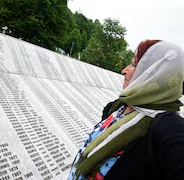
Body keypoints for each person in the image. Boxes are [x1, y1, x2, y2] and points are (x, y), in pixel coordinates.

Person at [68, 40, 184, 180]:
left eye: (134, 65)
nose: (124, 70)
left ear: (154, 73)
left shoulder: (168, 127)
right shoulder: (116, 107)